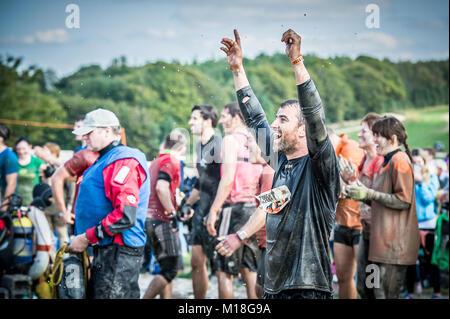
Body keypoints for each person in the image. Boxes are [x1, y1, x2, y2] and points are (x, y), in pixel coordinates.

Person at [220, 29, 340, 299]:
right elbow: (254, 119)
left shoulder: (320, 166)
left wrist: (297, 61)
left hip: (307, 287)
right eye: (276, 118)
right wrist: (237, 69)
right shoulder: (280, 159)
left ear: (302, 130)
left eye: (283, 120)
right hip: (275, 286)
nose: (273, 124)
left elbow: (314, 114)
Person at [66, 108, 150, 299]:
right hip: (107, 249)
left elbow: (125, 215)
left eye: (90, 132)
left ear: (107, 131)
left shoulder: (122, 160)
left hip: (119, 250)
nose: (85, 138)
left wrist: (86, 238)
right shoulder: (104, 160)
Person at [346, 116, 420, 299]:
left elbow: (404, 200)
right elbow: (380, 201)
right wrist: (359, 192)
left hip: (392, 245)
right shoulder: (385, 162)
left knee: (384, 295)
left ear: (393, 139)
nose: (375, 139)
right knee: (368, 291)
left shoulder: (399, 160)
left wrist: (369, 194)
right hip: (377, 243)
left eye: (378, 135)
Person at [205, 102, 263, 299]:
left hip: (234, 208)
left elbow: (228, 178)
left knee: (224, 272)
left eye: (224, 115)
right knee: (250, 271)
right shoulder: (258, 140)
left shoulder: (230, 140)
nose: (220, 120)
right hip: (253, 211)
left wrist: (214, 210)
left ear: (236, 117)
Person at [215, 157, 274, 299]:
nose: (247, 147)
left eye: (251, 141)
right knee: (258, 287)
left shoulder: (270, 171)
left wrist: (239, 236)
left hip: (273, 242)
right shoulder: (265, 169)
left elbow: (265, 208)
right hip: (263, 239)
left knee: (263, 289)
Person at [143, 130, 192, 299]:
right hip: (160, 219)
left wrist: (183, 205)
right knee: (171, 269)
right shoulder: (171, 160)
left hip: (149, 218)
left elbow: (170, 190)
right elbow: (161, 188)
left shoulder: (157, 160)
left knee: (165, 266)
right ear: (182, 148)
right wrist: (172, 214)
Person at [340, 112, 383, 299]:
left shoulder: (382, 162)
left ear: (375, 135)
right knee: (364, 288)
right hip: (365, 231)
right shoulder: (364, 161)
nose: (358, 134)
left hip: (379, 235)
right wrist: (348, 182)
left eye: (363, 131)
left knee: (376, 288)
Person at [182, 104, 222, 299]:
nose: (190, 123)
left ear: (208, 120)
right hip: (201, 209)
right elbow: (201, 182)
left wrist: (218, 209)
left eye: (195, 118)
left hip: (219, 210)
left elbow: (227, 179)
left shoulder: (219, 144)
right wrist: (187, 203)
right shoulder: (200, 147)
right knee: (196, 261)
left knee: (226, 270)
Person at [328, 127, 364, 299]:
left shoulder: (349, 147)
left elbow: (343, 188)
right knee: (343, 277)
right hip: (343, 223)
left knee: (368, 279)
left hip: (361, 223)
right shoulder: (333, 152)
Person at [404, 149, 442, 299]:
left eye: (419, 162)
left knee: (431, 262)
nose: (417, 166)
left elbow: (428, 199)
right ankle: (410, 292)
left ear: (425, 163)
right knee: (410, 262)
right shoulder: (407, 179)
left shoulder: (432, 178)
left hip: (428, 226)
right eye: (414, 163)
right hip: (412, 225)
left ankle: (437, 292)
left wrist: (420, 183)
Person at [14, 137, 46, 206]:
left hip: (33, 202)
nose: (21, 152)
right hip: (15, 201)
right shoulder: (13, 161)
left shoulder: (36, 162)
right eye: (18, 149)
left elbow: (49, 173)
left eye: (23, 149)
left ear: (30, 147)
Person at [0, 124, 18, 205]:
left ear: (1, 138)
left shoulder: (9, 156)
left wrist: (4, 206)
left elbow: (11, 183)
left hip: (3, 201)